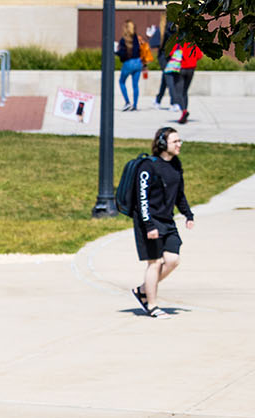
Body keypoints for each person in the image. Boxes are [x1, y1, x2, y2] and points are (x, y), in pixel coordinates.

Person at [132, 127, 194, 318]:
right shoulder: (148, 166)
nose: (179, 145)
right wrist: (148, 225)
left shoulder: (176, 164)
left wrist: (187, 214)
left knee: (173, 260)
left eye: (179, 141)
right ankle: (152, 304)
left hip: (167, 220)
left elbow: (179, 193)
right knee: (155, 262)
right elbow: (141, 198)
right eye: (175, 141)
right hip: (149, 220)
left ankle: (143, 290)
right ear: (162, 144)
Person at [169, 39, 202, 123]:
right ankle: (184, 114)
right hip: (191, 69)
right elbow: (199, 55)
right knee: (185, 91)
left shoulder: (178, 41)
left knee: (178, 91)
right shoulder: (193, 43)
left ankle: (184, 111)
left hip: (181, 68)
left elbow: (172, 53)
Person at [117, 21, 144, 111]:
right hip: (138, 62)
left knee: (121, 81)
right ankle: (135, 105)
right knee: (135, 85)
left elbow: (122, 54)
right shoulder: (136, 38)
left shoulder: (123, 40)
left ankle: (127, 102)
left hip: (128, 63)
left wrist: (116, 52)